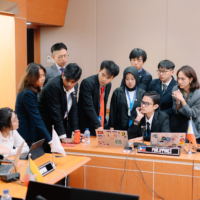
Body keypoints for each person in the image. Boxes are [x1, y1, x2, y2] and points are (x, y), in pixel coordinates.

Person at [38, 63, 82, 151]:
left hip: (60, 123)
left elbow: (73, 109)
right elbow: (55, 112)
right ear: (63, 75)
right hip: (47, 124)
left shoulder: (75, 86)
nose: (69, 84)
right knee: (49, 152)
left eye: (73, 82)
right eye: (67, 80)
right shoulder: (53, 86)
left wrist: (76, 131)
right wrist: (63, 136)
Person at [15, 63, 52, 148]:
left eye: (43, 75)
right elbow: (37, 118)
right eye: (39, 76)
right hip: (26, 134)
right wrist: (50, 140)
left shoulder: (31, 89)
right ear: (32, 77)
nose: (43, 78)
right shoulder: (27, 93)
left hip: (30, 132)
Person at [79, 60, 119, 136]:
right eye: (103, 75)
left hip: (99, 122)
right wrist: (99, 126)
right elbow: (88, 107)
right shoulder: (87, 83)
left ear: (112, 78)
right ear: (99, 71)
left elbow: (102, 103)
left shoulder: (108, 85)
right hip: (86, 124)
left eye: (108, 77)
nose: (104, 79)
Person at [109, 66, 145, 131]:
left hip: (136, 127)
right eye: (127, 79)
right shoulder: (117, 92)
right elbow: (112, 111)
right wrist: (111, 127)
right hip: (120, 127)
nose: (130, 82)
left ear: (136, 79)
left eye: (132, 79)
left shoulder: (142, 93)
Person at [171, 65, 200, 142]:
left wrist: (182, 100)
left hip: (192, 127)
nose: (179, 81)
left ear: (191, 79)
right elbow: (175, 111)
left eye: (183, 79)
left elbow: (192, 114)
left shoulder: (198, 94)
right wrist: (177, 101)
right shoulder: (176, 88)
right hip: (178, 123)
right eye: (178, 78)